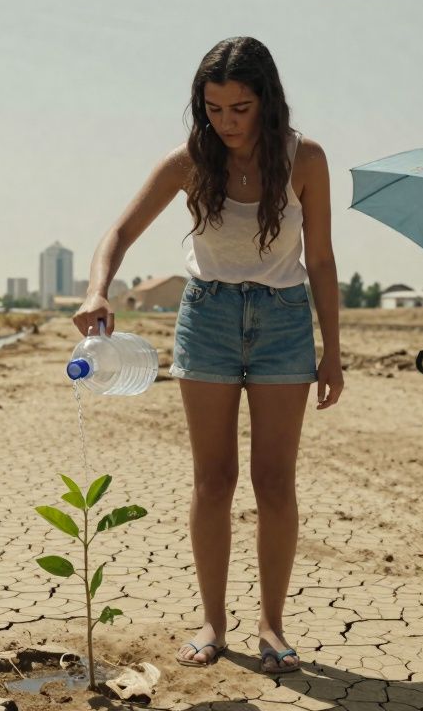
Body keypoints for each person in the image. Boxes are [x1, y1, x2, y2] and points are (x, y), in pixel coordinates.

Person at [72, 36, 343, 673]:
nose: (227, 122)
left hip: (282, 321)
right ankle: (213, 622)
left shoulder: (305, 159)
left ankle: (272, 627)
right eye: (215, 108)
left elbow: (323, 260)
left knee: (275, 482)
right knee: (213, 480)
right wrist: (96, 289)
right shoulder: (189, 161)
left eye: (241, 108)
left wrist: (333, 352)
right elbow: (118, 232)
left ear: (268, 102)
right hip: (208, 318)